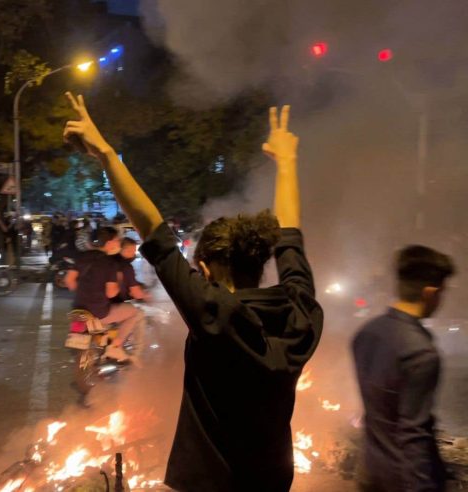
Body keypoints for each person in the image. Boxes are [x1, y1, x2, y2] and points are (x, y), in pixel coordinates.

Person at [63, 94, 322, 491]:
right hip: (272, 481)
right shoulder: (300, 313)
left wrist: (107, 156)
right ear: (260, 261)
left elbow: (152, 229)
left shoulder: (214, 313)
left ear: (204, 270)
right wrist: (287, 163)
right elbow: (291, 239)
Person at [352, 246, 456, 492]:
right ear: (430, 293)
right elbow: (413, 435)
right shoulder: (420, 352)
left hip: (370, 472)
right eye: (442, 292)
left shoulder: (366, 334)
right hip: (402, 481)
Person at [65, 226, 144, 362]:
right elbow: (111, 293)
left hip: (78, 308)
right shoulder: (109, 263)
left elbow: (69, 281)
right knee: (134, 312)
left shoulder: (83, 257)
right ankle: (115, 346)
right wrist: (119, 283)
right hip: (98, 311)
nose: (119, 242)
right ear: (109, 243)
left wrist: (85, 291)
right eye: (117, 240)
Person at [112, 237, 150, 303]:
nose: (133, 254)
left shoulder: (109, 261)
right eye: (131, 251)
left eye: (134, 251)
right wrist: (147, 296)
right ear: (122, 250)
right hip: (120, 303)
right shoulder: (126, 266)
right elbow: (136, 293)